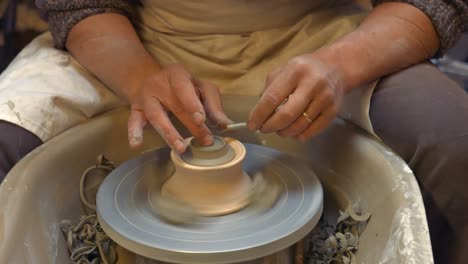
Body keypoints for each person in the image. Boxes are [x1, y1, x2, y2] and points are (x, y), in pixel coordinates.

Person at [0, 0, 467, 262]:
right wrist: (139, 76)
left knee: (454, 140)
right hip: (141, 41)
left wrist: (341, 65)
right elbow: (81, 4)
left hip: (321, 42)